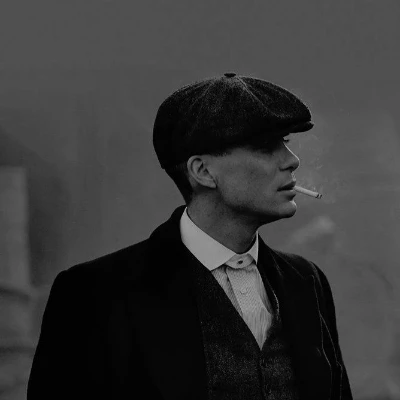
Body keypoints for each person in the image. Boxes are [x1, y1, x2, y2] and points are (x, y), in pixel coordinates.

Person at [27, 72, 353, 400]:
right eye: (266, 146)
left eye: (286, 144)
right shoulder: (94, 293)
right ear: (203, 171)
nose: (292, 161)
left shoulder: (305, 281)